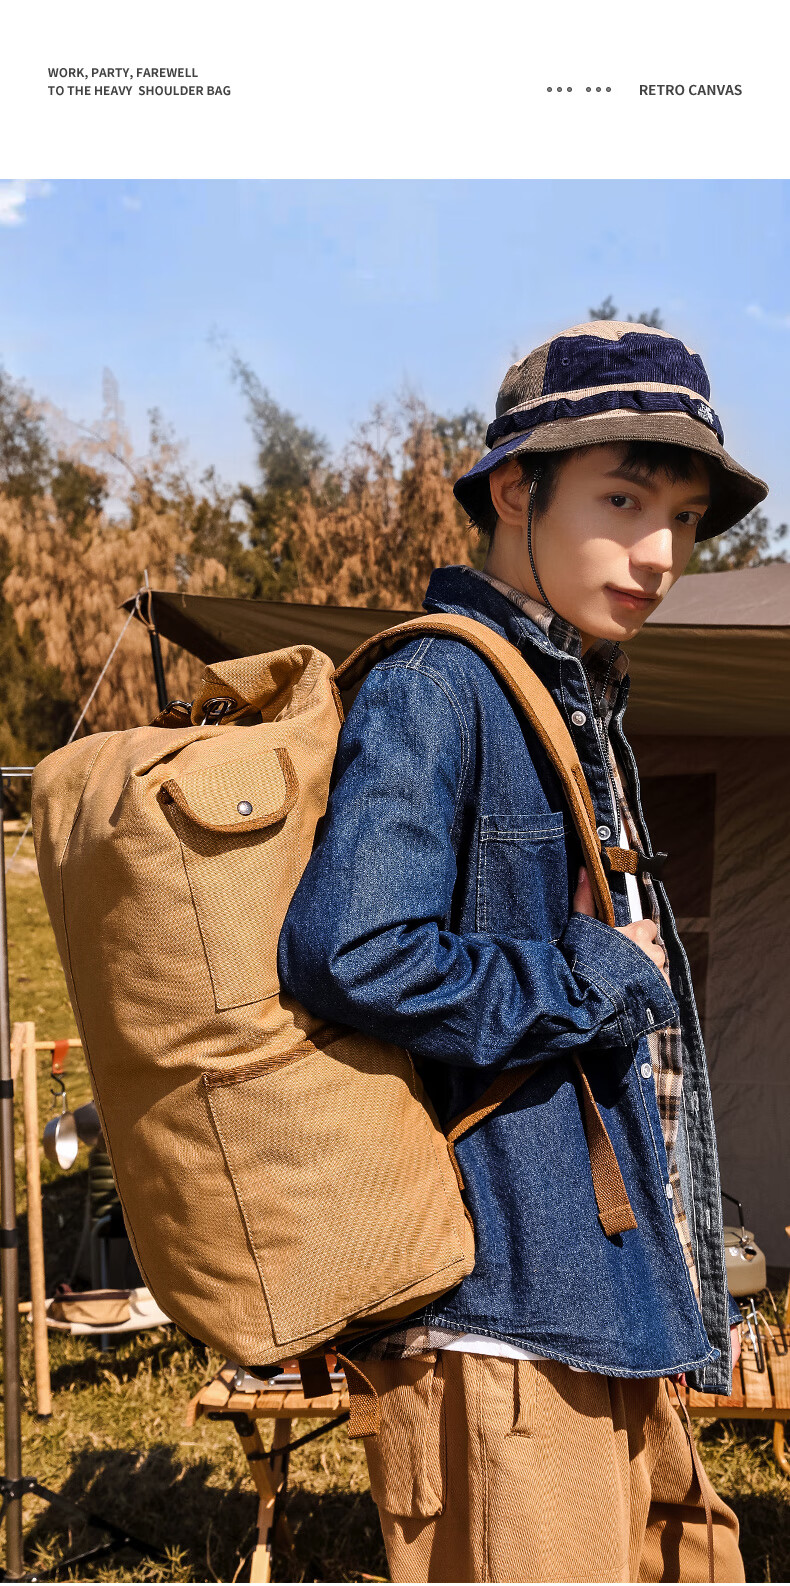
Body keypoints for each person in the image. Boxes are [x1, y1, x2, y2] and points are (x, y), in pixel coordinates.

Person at [278, 319, 768, 1583]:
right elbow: (352, 950)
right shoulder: (440, 686)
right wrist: (593, 976)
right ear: (514, 489)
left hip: (606, 1303)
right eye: (623, 500)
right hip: (501, 1317)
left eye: (683, 518)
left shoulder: (571, 696)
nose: (660, 553)